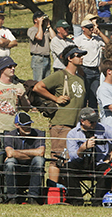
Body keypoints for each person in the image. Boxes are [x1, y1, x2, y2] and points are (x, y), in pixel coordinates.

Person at [33, 45, 87, 186]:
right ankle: (53, 192)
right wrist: (55, 99)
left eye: (82, 55)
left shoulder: (80, 78)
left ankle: (65, 191)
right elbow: (38, 87)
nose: (81, 57)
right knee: (57, 158)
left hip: (76, 127)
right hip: (61, 124)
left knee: (69, 159)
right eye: (78, 55)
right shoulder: (60, 75)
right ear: (69, 58)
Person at [0, 56, 28, 202]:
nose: (13, 68)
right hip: (1, 131)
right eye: (10, 66)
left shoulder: (19, 86)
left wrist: (24, 97)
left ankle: (11, 194)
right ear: (2, 69)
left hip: (15, 132)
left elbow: (27, 108)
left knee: (13, 165)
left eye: (14, 66)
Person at [66, 107, 112, 204]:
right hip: (80, 164)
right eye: (91, 121)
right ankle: (76, 201)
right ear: (82, 121)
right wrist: (82, 148)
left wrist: (111, 154)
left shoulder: (103, 128)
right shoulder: (72, 134)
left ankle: (98, 201)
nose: (95, 123)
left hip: (99, 164)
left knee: (107, 169)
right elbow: (73, 157)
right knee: (68, 168)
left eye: (96, 121)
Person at [2, 112, 45, 205]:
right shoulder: (9, 135)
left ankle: (33, 197)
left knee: (39, 160)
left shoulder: (38, 133)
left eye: (29, 124)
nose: (28, 127)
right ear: (17, 125)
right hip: (16, 165)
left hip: (32, 165)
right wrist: (33, 152)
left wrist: (16, 152)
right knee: (10, 163)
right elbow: (9, 153)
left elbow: (40, 152)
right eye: (24, 125)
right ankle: (12, 198)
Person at [75, 17, 107, 108]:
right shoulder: (79, 40)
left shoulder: (97, 39)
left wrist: (100, 33)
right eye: (88, 28)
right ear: (83, 29)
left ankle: (94, 115)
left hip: (96, 70)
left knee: (94, 96)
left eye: (91, 27)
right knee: (85, 95)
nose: (91, 30)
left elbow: (108, 43)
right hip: (85, 69)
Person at [27, 11, 52, 81]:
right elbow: (39, 37)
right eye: (40, 18)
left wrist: (49, 26)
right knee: (38, 81)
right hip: (38, 58)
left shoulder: (45, 30)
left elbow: (54, 38)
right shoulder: (31, 30)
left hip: (47, 57)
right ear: (35, 20)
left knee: (47, 82)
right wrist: (40, 25)